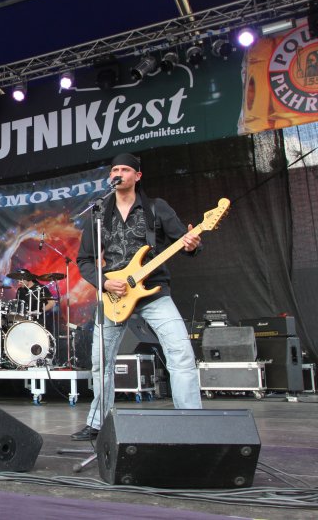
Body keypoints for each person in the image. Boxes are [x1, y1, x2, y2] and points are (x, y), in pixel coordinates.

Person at [71, 153, 202, 441]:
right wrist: (105, 282)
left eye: (125, 169)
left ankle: (192, 420)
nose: (118, 173)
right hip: (114, 296)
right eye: (114, 169)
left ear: (137, 176)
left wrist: (192, 243)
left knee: (181, 354)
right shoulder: (99, 214)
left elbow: (184, 242)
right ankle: (97, 422)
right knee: (100, 363)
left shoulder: (156, 208)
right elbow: (85, 260)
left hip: (154, 292)